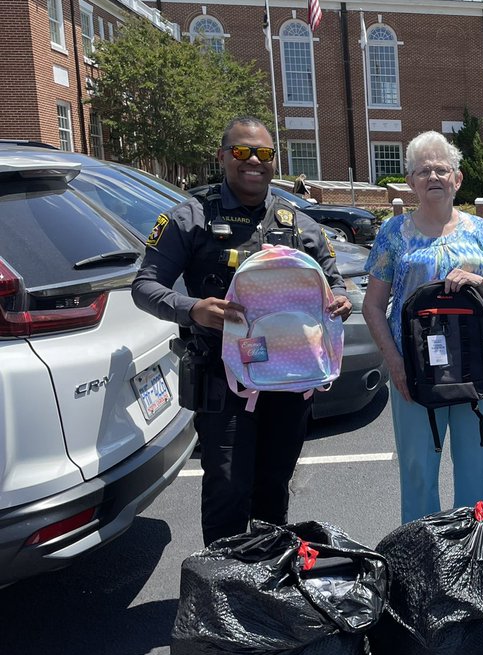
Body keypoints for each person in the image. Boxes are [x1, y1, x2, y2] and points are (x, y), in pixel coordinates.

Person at [132, 117, 351, 545]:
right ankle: (223, 593)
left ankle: (265, 584)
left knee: (273, 486)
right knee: (228, 488)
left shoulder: (298, 224)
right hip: (222, 376)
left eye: (264, 154)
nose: (253, 161)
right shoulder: (190, 218)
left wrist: (339, 299)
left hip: (289, 379)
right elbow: (144, 286)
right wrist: (192, 308)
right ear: (221, 157)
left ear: (274, 161)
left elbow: (333, 279)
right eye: (241, 152)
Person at [361, 131, 483, 523]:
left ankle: (473, 557)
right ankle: (421, 562)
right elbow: (373, 306)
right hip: (414, 370)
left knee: (474, 471)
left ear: (457, 179)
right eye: (422, 170)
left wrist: (478, 280)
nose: (433, 177)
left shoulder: (479, 231)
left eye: (441, 169)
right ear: (410, 181)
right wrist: (394, 363)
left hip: (472, 369)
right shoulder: (393, 233)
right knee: (418, 474)